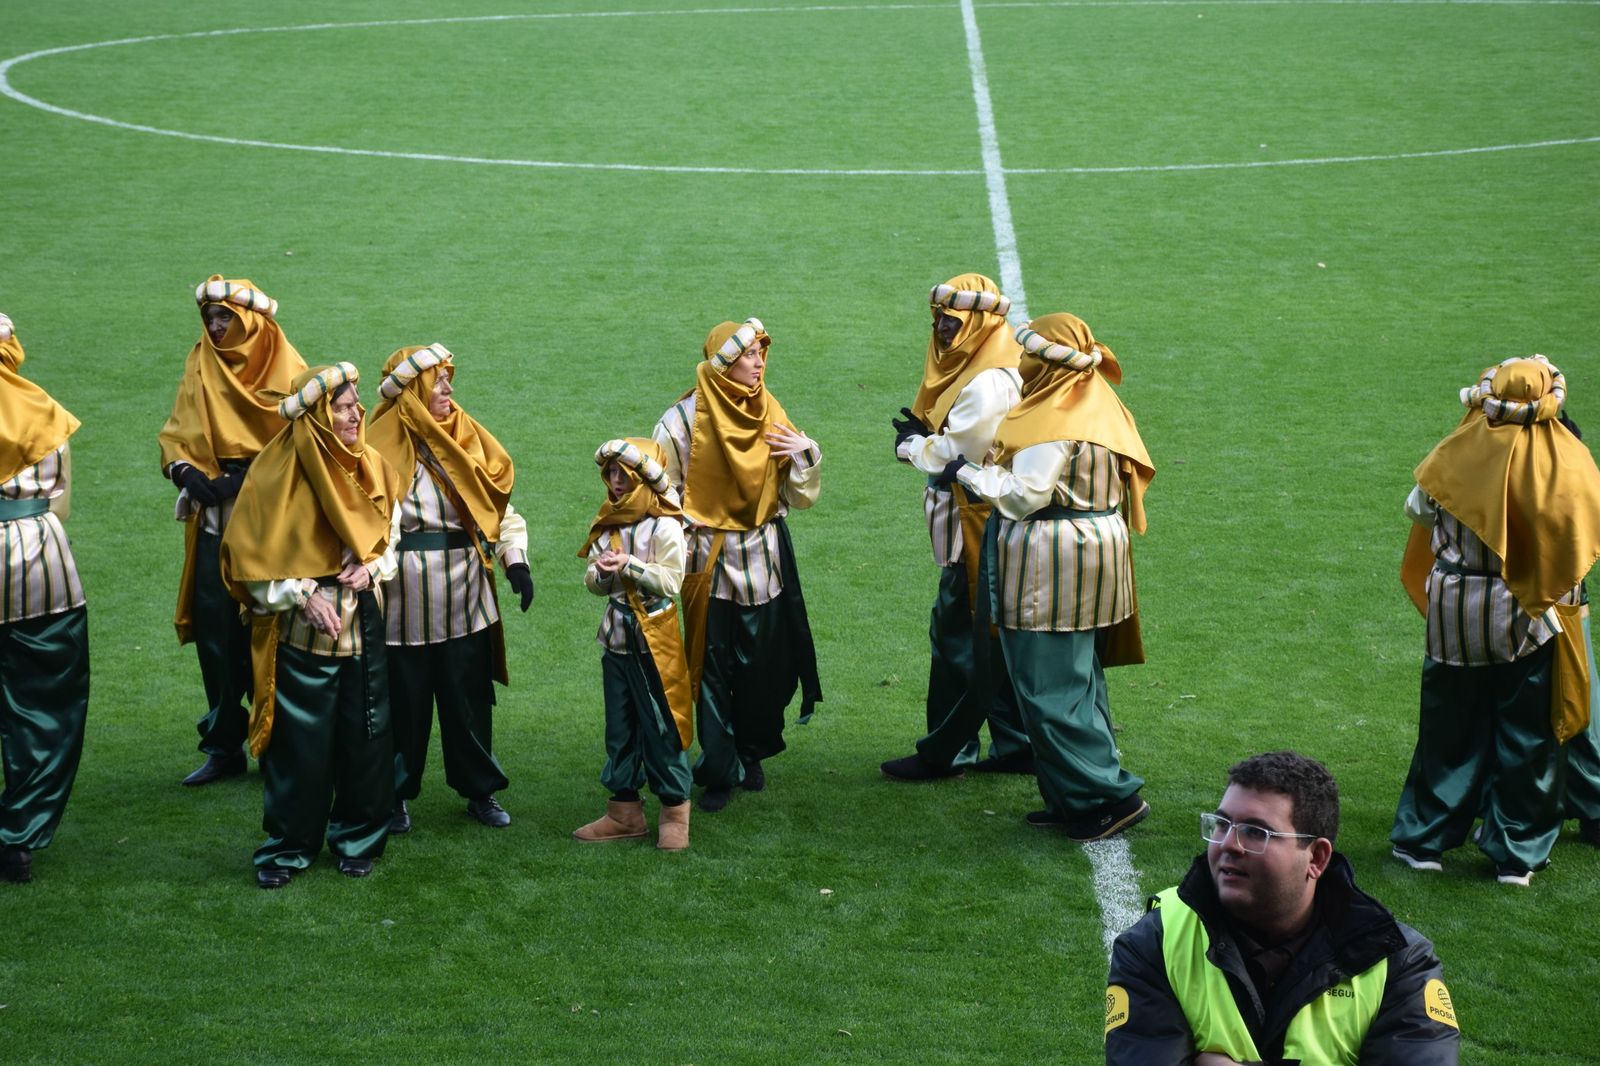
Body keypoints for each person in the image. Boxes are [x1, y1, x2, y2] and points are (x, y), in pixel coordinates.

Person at [1106, 751, 1460, 1065]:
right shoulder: (1157, 940)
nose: (1229, 844)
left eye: (1256, 832)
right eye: (1221, 824)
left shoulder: (1399, 962)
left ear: (1316, 858)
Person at [1392, 355, 1600, 885]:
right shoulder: (1570, 461)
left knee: (1448, 730)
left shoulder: (1453, 454)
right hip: (1530, 620)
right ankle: (1517, 853)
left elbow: (1419, 510)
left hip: (1456, 616)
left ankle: (1425, 840)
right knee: (1528, 738)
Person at [943, 313, 1152, 840]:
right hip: (1095, 549)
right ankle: (1072, 795)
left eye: (1029, 353)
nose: (1020, 361)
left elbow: (1024, 495)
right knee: (1078, 678)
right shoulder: (1098, 399)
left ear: (1049, 362)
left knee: (1048, 685)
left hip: (1053, 562)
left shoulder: (1053, 419)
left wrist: (963, 471)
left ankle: (1105, 796)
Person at [219, 363, 403, 888]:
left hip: (363, 627)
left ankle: (359, 839)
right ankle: (287, 847)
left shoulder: (374, 467)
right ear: (320, 416)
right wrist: (301, 592)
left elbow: (392, 537)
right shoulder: (273, 474)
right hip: (299, 638)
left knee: (366, 738)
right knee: (298, 747)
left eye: (357, 406)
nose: (357, 415)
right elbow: (244, 564)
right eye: (344, 408)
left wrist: (371, 568)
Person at [652, 318, 821, 812]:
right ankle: (720, 767)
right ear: (725, 365)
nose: (760, 363)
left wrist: (807, 457)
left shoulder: (770, 410)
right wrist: (679, 541)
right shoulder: (681, 422)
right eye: (750, 355)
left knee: (765, 666)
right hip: (709, 563)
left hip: (766, 555)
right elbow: (663, 495)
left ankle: (752, 750)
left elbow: (797, 495)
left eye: (762, 353)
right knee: (712, 668)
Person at [366, 344, 533, 833]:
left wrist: (515, 560)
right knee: (403, 704)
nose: (449, 389)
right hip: (400, 604)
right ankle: (394, 793)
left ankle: (480, 790)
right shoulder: (373, 449)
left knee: (469, 701)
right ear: (413, 390)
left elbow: (500, 512)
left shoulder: (467, 437)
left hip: (466, 598)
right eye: (438, 381)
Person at [880, 274, 1032, 782]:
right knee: (999, 633)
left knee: (956, 632)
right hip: (994, 518)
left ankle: (949, 750)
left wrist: (912, 447)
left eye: (953, 323)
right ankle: (1017, 743)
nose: (943, 332)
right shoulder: (996, 359)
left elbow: (955, 456)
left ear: (979, 324)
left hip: (975, 520)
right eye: (939, 321)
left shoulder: (987, 380)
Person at [159, 275, 306, 787]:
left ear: (252, 322)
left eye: (226, 318)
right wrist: (185, 472)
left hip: (271, 520)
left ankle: (276, 740)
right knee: (216, 632)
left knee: (273, 628)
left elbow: (304, 446)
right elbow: (177, 433)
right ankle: (223, 745)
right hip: (213, 521)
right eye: (210, 319)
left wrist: (243, 481)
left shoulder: (291, 370)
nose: (216, 328)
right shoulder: (199, 361)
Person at [0, 313, 89, 884]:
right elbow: (60, 501)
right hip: (40, 570)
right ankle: (17, 834)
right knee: (46, 708)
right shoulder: (41, 408)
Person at [574, 438, 693, 850]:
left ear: (644, 478)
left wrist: (631, 564)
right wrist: (605, 574)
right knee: (620, 728)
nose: (616, 481)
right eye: (611, 473)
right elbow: (592, 582)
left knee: (664, 725)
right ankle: (623, 813)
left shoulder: (665, 523)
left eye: (624, 474)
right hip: (617, 640)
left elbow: (672, 581)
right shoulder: (609, 521)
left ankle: (676, 812)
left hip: (656, 639)